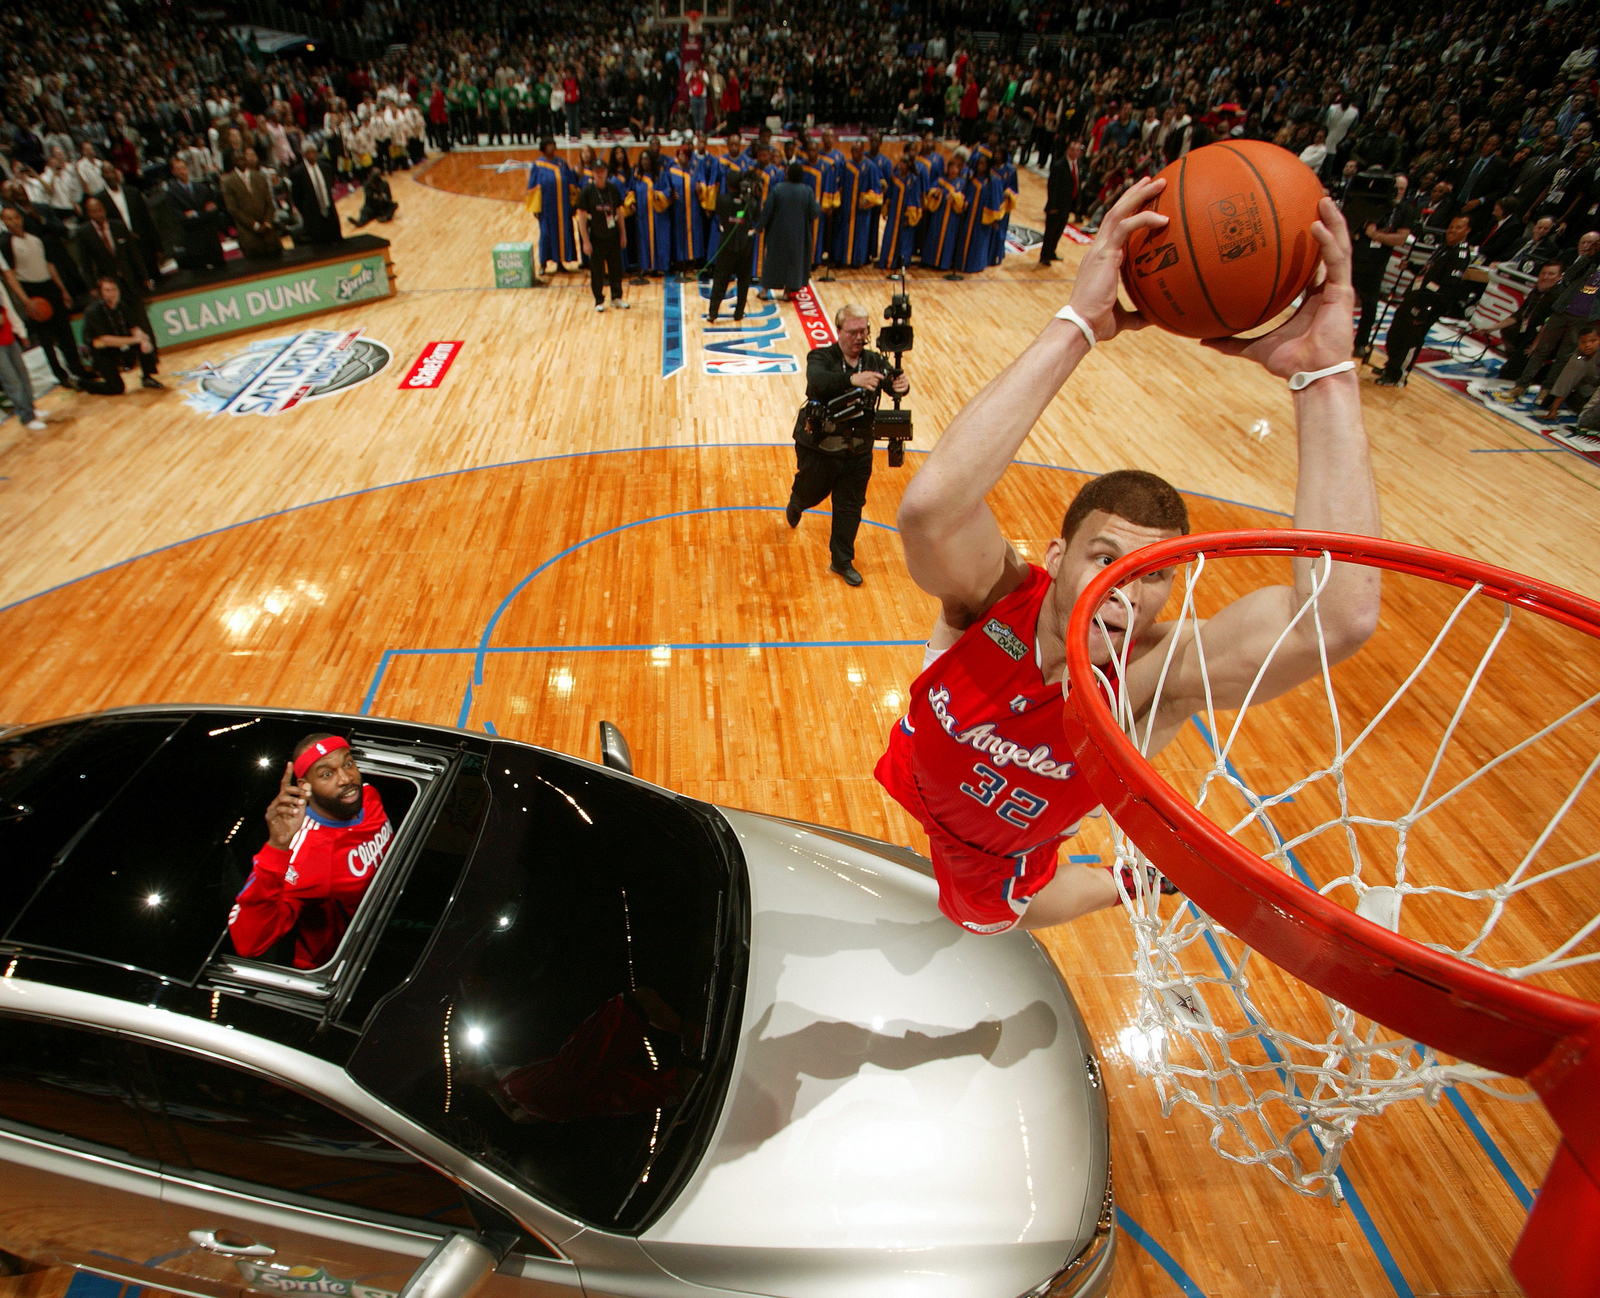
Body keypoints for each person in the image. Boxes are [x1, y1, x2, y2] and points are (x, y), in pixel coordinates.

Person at [876, 177, 1378, 936]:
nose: (1121, 590)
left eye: (1153, 575)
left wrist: (1324, 376)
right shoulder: (997, 594)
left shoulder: (1156, 676)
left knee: (1010, 915)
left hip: (997, 857)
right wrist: (1077, 321)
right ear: (1055, 554)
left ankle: (1124, 882)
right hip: (918, 772)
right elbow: (929, 508)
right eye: (1104, 556)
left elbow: (1335, 619)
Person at [229, 734, 395, 971]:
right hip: (346, 962)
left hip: (388, 921)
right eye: (327, 774)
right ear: (305, 786)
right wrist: (277, 847)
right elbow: (248, 943)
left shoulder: (368, 796)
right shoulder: (306, 855)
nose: (346, 779)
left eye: (348, 764)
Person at [785, 303, 910, 587]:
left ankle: (841, 560)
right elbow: (817, 381)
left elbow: (893, 384)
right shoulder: (821, 356)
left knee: (850, 506)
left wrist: (902, 385)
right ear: (838, 330)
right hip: (820, 448)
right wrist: (852, 379)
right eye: (852, 331)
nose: (858, 337)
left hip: (858, 450)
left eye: (863, 331)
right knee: (811, 492)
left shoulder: (875, 361)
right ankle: (797, 502)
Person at [1375, 214, 1481, 386]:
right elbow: (1428, 272)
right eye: (1451, 226)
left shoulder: (1460, 255)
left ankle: (1397, 375)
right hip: (1414, 297)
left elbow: (1448, 288)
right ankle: (1391, 365)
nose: (1452, 231)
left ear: (1467, 231)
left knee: (1410, 341)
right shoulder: (1443, 247)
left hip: (1428, 305)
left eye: (1458, 228)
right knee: (1395, 334)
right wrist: (1411, 266)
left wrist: (1429, 309)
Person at [1501, 231, 1600, 405]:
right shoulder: (1589, 262)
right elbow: (1568, 277)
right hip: (1562, 310)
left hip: (1583, 318)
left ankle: (1546, 390)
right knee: (1541, 350)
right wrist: (1588, 257)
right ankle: (1521, 384)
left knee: (1564, 356)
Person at [0, 204, 86, 389]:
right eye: (8, 218)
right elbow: (10, 275)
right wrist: (26, 301)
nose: (14, 221)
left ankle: (78, 370)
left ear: (21, 218)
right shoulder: (7, 243)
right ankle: (62, 376)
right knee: (47, 338)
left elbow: (49, 265)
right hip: (32, 291)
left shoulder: (35, 238)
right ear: (3, 222)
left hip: (50, 286)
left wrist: (62, 289)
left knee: (66, 333)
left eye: (16, 217)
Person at [1347, 174, 1417, 360]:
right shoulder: (1374, 202)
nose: (1397, 191)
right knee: (1339, 298)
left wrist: (1376, 235)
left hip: (1376, 264)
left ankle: (1361, 343)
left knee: (1370, 305)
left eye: (1402, 188)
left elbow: (1400, 238)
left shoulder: (1405, 211)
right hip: (1354, 257)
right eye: (1395, 187)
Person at [80, 275, 162, 393]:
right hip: (101, 351)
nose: (112, 294)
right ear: (100, 292)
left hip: (121, 345)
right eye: (107, 290)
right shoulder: (93, 312)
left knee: (145, 342)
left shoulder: (122, 306)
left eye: (114, 290)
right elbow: (105, 340)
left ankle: (147, 377)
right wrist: (136, 340)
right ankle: (81, 383)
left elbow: (134, 327)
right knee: (116, 389)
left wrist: (143, 339)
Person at [753, 160, 821, 301]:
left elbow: (767, 210)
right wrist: (818, 205)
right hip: (798, 236)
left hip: (777, 234)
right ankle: (786, 293)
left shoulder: (778, 189)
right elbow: (814, 213)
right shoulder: (807, 191)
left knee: (772, 261)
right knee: (792, 263)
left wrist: (759, 227)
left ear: (788, 175)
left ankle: (765, 291)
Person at [1496, 261, 1564, 387]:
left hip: (1545, 339)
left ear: (1559, 277)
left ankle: (1540, 372)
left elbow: (1548, 324)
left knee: (1509, 374)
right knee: (1508, 329)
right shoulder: (1537, 290)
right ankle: (1516, 358)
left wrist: (1535, 345)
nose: (1545, 277)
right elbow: (1519, 314)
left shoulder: (1558, 296)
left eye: (1551, 274)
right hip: (1529, 333)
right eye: (1543, 273)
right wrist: (1491, 328)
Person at [576, 158, 629, 313]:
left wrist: (623, 234)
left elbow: (619, 212)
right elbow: (581, 218)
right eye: (597, 171)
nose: (600, 174)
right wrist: (585, 241)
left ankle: (616, 297)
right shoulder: (587, 191)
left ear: (607, 172)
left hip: (612, 236)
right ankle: (599, 300)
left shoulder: (612, 189)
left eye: (602, 171)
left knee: (616, 269)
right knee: (597, 271)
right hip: (596, 237)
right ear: (593, 173)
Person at [705, 173, 759, 323]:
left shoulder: (721, 200)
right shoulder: (751, 203)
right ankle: (739, 313)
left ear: (728, 184)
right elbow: (757, 217)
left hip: (726, 246)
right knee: (743, 280)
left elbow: (719, 213)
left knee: (720, 279)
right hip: (744, 246)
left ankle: (713, 313)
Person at [99, 163, 161, 278]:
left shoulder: (133, 192)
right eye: (106, 172)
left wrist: (158, 247)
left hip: (143, 242)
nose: (110, 175)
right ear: (102, 176)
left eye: (112, 171)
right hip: (122, 249)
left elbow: (147, 220)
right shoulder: (100, 199)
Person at [526, 137, 578, 273]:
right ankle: (543, 263)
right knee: (546, 234)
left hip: (563, 206)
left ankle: (560, 262)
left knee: (563, 233)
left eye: (552, 145)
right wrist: (535, 208)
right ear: (543, 148)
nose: (551, 147)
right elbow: (533, 186)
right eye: (548, 145)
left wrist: (573, 203)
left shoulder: (561, 163)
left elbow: (571, 182)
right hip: (547, 207)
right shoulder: (538, 165)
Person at [163, 156, 225, 270]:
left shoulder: (202, 188)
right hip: (194, 246)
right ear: (173, 171)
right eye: (178, 169)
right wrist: (203, 213)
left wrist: (195, 214)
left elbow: (213, 212)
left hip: (212, 241)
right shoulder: (172, 194)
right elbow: (182, 220)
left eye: (183, 167)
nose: (182, 171)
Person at [221, 147, 283, 259]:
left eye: (242, 158)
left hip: (268, 229)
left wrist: (267, 223)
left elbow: (269, 202)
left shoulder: (260, 176)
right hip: (248, 232)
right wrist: (255, 225)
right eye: (237, 159)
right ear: (233, 162)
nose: (240, 161)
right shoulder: (227, 182)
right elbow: (232, 209)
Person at [0, 302, 47, 431]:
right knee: (12, 381)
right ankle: (27, 417)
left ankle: (31, 409)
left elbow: (8, 310)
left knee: (23, 376)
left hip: (9, 339)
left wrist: (20, 331)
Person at [1039, 141, 1087, 266]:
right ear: (1068, 150)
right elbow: (1052, 187)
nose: (1076, 152)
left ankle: (1051, 252)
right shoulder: (1058, 165)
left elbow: (1077, 185)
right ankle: (1044, 255)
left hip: (1068, 205)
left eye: (1078, 150)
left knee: (1059, 230)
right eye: (1073, 150)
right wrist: (1052, 205)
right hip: (1056, 205)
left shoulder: (1079, 165)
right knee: (1050, 231)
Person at [289, 143, 343, 245]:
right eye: (308, 153)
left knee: (337, 241)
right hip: (313, 216)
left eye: (313, 152)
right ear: (304, 155)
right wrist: (306, 212)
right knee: (319, 245)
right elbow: (297, 197)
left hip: (329, 211)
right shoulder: (298, 173)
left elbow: (330, 185)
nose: (311, 155)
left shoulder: (325, 167)